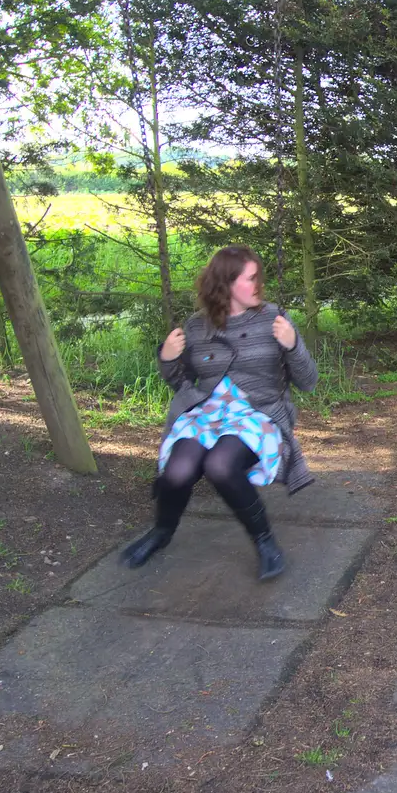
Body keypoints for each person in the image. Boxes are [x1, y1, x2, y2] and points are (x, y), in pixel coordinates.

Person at [117, 245, 319, 580]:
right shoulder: (197, 327)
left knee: (220, 465)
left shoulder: (274, 319)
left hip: (260, 413)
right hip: (208, 413)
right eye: (250, 279)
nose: (259, 285)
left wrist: (292, 343)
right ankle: (161, 532)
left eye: (259, 277)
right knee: (179, 469)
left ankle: (265, 541)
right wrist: (167, 358)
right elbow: (179, 382)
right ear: (226, 284)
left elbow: (308, 381)